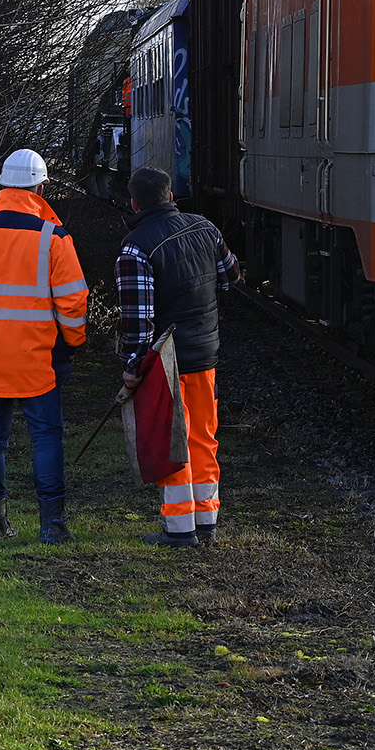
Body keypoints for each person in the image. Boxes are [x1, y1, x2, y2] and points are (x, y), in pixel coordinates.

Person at [0, 148, 89, 545]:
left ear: (3, 187)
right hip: (38, 359)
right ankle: (52, 525)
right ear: (41, 189)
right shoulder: (53, 239)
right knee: (46, 437)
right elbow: (74, 302)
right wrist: (70, 344)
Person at [116, 166, 241, 548]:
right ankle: (208, 520)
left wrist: (132, 367)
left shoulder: (135, 248)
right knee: (204, 437)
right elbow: (231, 276)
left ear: (134, 202)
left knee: (173, 440)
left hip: (167, 361)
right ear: (171, 196)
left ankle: (180, 528)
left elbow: (139, 322)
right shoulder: (204, 227)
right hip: (206, 354)